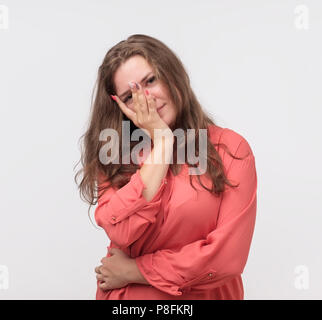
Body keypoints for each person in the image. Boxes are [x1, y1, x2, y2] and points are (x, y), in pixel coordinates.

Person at [76, 34, 257, 300]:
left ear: (172, 74)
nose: (146, 99)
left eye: (151, 80)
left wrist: (135, 270)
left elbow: (227, 258)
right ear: (120, 108)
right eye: (129, 96)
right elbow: (121, 230)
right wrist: (162, 141)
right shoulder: (115, 157)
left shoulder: (230, 148)